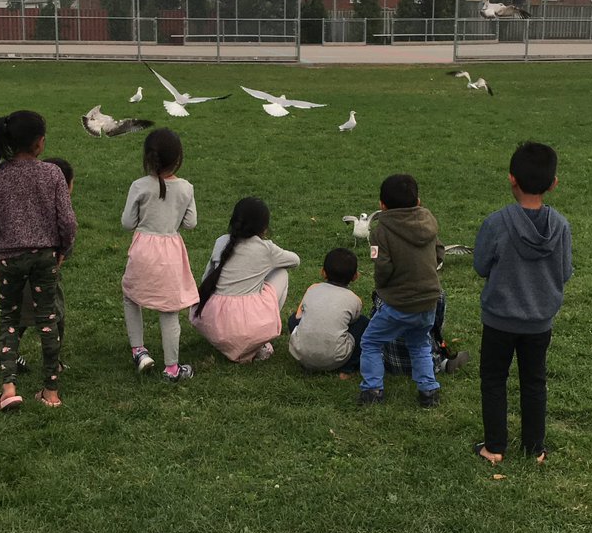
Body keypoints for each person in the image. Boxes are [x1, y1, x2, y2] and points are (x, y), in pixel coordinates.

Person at [473, 141, 572, 465]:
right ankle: (534, 449)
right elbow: (565, 271)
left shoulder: (496, 223)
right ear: (553, 183)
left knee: (493, 379)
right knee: (534, 381)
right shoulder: (560, 226)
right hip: (539, 321)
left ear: (511, 178)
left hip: (499, 319)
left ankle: (495, 448)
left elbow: (481, 265)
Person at [0, 110, 77, 411]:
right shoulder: (52, 174)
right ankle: (51, 391)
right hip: (45, 256)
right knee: (47, 320)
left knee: (9, 319)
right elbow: (68, 221)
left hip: (9, 258)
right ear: (40, 143)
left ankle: (8, 389)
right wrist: (62, 249)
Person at [358, 173, 444, 408]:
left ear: (382, 205)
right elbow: (439, 252)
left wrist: (383, 287)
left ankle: (372, 389)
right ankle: (429, 391)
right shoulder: (429, 221)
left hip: (398, 303)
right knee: (419, 343)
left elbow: (383, 267)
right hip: (429, 301)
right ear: (418, 201)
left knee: (371, 341)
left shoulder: (381, 231)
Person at [121, 128, 198, 383]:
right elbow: (190, 223)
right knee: (169, 309)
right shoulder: (186, 188)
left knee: (131, 296)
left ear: (147, 157)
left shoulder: (139, 186)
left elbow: (127, 222)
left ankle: (139, 351)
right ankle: (172, 368)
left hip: (143, 250)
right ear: (178, 158)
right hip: (171, 253)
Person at [190, 197, 299, 363]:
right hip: (244, 326)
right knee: (281, 272)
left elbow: (206, 277)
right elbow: (295, 260)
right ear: (264, 226)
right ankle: (259, 342)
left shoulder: (221, 241)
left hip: (212, 321)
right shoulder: (266, 248)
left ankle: (232, 342)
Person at [10, 157, 75, 376]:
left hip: (17, 272)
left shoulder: (23, 209)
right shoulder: (58, 214)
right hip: (45, 275)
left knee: (19, 314)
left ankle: (9, 353)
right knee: (56, 316)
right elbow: (66, 240)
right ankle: (53, 363)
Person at [288, 247, 369, 376]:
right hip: (337, 358)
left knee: (293, 319)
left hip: (301, 355)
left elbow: (298, 316)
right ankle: (347, 369)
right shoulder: (355, 299)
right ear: (355, 276)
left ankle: (307, 357)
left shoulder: (313, 289)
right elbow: (352, 322)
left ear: (323, 272)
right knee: (363, 323)